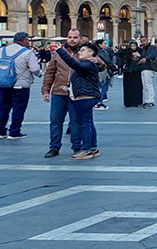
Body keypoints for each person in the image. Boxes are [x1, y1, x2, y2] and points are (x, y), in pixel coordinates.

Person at [54, 41, 102, 159]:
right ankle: (93, 148)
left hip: (85, 97)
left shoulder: (87, 63)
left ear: (91, 53)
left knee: (84, 124)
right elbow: (82, 80)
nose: (79, 52)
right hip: (88, 96)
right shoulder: (89, 64)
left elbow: (75, 65)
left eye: (83, 50)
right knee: (89, 123)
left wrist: (60, 51)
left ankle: (86, 150)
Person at [41, 29, 83, 158]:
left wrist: (98, 62)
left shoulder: (84, 52)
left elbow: (100, 66)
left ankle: (76, 146)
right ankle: (54, 147)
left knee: (76, 121)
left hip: (76, 93)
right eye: (70, 37)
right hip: (59, 91)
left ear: (80, 39)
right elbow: (50, 72)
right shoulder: (59, 53)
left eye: (75, 37)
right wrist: (46, 90)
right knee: (55, 120)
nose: (72, 40)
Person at [0, 32, 41, 140]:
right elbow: (34, 69)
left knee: (3, 108)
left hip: (3, 84)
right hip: (20, 85)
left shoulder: (2, 50)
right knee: (18, 109)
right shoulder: (27, 52)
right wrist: (39, 74)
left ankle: (1, 131)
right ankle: (14, 132)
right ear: (24, 41)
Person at [94, 38, 116, 110]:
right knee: (104, 87)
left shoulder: (97, 51)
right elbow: (108, 61)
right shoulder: (101, 52)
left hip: (99, 71)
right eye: (104, 43)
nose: (106, 45)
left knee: (100, 86)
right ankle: (99, 102)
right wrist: (114, 69)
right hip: (104, 71)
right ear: (100, 45)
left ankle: (98, 101)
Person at [137, 36, 157, 107]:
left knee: (148, 85)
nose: (143, 42)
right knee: (145, 85)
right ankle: (147, 100)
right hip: (143, 68)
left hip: (149, 68)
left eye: (144, 40)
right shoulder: (143, 49)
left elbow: (153, 55)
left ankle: (151, 101)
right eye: (141, 41)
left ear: (147, 40)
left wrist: (146, 58)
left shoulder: (152, 47)